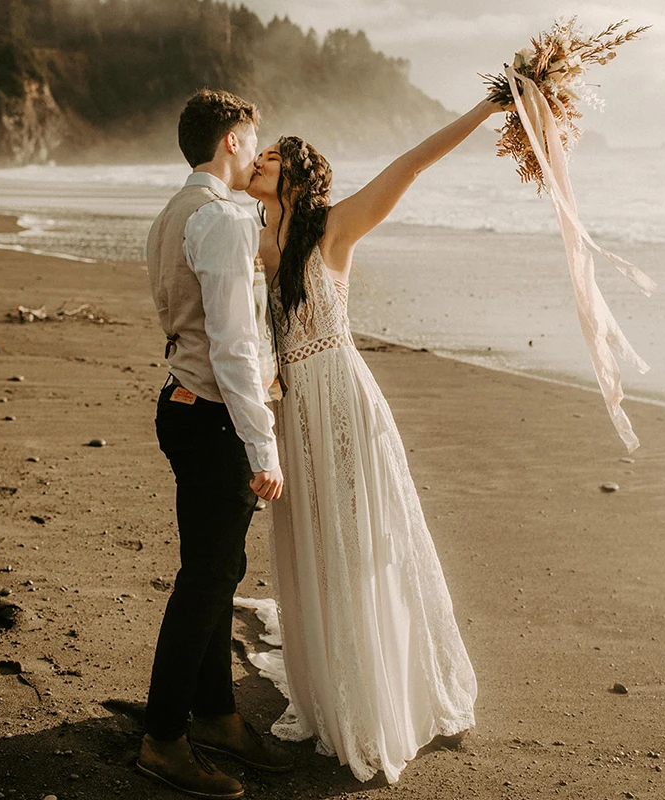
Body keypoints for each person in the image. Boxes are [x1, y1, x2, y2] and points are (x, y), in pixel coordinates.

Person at [246, 95, 507, 783]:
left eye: (270, 156)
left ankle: (382, 692)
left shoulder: (334, 227)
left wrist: (490, 105)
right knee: (314, 550)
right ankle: (332, 687)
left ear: (297, 175)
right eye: (257, 152)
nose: (258, 160)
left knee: (361, 547)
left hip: (344, 404)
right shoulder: (254, 242)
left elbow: (414, 163)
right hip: (291, 412)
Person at [139, 88, 293, 799]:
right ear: (231, 140)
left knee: (215, 571)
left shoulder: (173, 212)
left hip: (181, 404)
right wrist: (263, 447)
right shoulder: (225, 222)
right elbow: (233, 347)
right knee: (206, 581)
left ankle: (218, 714)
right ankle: (164, 739)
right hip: (213, 416)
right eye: (252, 135)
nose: (258, 148)